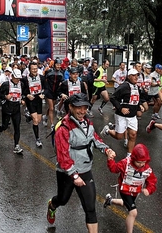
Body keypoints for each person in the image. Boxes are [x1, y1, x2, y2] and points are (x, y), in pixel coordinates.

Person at [46, 93, 115, 233]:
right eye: (79, 108)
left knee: (90, 207)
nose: (82, 111)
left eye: (85, 107)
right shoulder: (64, 127)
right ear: (70, 107)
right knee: (63, 199)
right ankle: (52, 205)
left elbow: (94, 138)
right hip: (67, 172)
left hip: (85, 169)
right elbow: (62, 156)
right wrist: (74, 175)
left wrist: (106, 150)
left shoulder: (87, 122)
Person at [103, 144, 157, 233]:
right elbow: (114, 169)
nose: (141, 165)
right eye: (138, 162)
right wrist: (110, 159)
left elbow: (152, 181)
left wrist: (149, 189)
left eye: (143, 162)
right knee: (133, 212)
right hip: (125, 190)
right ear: (133, 159)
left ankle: (110, 200)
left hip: (135, 192)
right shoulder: (125, 163)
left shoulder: (147, 169)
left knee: (126, 205)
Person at [101, 69, 144, 155]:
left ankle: (129, 156)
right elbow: (113, 98)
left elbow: (135, 99)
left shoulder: (137, 86)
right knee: (119, 136)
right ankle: (108, 130)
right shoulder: (124, 86)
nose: (136, 77)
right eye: (134, 75)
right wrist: (121, 108)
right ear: (129, 76)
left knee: (133, 135)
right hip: (121, 116)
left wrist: (139, 106)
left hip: (132, 116)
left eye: (137, 75)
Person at [0, 69, 26, 154]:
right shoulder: (6, 84)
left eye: (19, 78)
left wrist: (23, 99)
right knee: (5, 126)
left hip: (16, 108)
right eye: (16, 78)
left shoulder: (22, 84)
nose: (18, 80)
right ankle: (0, 129)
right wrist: (5, 96)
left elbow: (23, 94)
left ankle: (16, 146)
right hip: (7, 108)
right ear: (12, 76)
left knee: (17, 127)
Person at [22, 62, 46, 147]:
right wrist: (27, 95)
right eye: (33, 69)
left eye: (36, 69)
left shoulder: (42, 78)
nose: (35, 70)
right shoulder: (25, 79)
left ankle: (28, 116)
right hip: (30, 100)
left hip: (38, 100)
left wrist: (43, 94)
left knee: (38, 120)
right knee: (35, 120)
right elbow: (22, 90)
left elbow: (46, 88)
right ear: (29, 70)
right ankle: (38, 139)